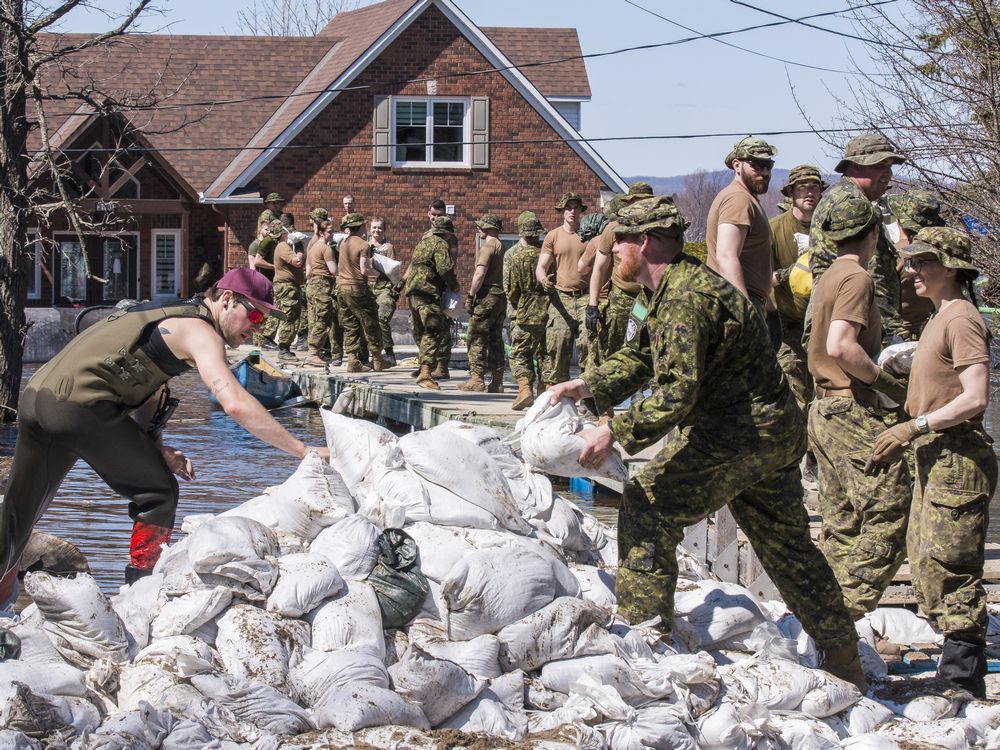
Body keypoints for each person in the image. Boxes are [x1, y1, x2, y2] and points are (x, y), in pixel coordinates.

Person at [549, 195, 866, 690]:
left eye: (619, 242)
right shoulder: (674, 287)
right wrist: (585, 385)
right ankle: (844, 658)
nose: (613, 252)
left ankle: (645, 640)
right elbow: (643, 357)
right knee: (788, 547)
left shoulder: (685, 296)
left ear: (644, 242)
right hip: (769, 431)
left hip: (741, 432)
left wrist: (614, 431)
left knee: (648, 505)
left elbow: (678, 390)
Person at [0, 268, 328, 603]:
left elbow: (150, 387)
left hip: (37, 397)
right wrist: (302, 449)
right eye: (255, 316)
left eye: (264, 321)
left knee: (18, 512)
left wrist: (156, 448)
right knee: (159, 493)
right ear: (227, 299)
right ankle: (141, 594)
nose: (257, 328)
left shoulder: (167, 313)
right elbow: (233, 402)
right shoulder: (202, 332)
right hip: (79, 406)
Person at [866, 227, 995, 698]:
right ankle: (953, 672)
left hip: (956, 455)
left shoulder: (961, 319)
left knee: (951, 564)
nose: (912, 270)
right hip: (935, 454)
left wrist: (916, 426)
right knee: (927, 563)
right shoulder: (939, 317)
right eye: (912, 261)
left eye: (924, 262)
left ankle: (962, 679)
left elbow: (976, 397)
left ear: (952, 268)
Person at [806, 189, 911, 620]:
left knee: (843, 522)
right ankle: (848, 608)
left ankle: (828, 622)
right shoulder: (858, 278)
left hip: (823, 409)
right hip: (849, 407)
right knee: (892, 507)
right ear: (873, 234)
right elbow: (841, 346)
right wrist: (889, 385)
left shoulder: (827, 275)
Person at [807, 133, 908, 346]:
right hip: (853, 324)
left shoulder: (844, 197)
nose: (888, 173)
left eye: (890, 166)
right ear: (855, 166)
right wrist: (890, 334)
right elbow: (873, 270)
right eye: (879, 165)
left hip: (844, 318)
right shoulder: (852, 205)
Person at [770, 165, 828, 409]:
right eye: (802, 187)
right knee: (794, 395)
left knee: (830, 396)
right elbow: (761, 279)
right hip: (789, 325)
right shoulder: (774, 229)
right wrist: (791, 273)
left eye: (814, 187)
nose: (809, 193)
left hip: (826, 323)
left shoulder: (831, 228)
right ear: (791, 193)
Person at [706, 136, 778, 322]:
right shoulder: (738, 199)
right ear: (737, 165)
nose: (764, 171)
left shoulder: (746, 198)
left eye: (768, 165)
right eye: (756, 165)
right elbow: (726, 257)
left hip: (743, 302)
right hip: (735, 306)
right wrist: (746, 313)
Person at [585, 182, 654, 369]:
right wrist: (592, 305)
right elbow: (599, 268)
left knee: (644, 349)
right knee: (608, 351)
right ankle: (597, 386)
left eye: (645, 201)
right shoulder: (614, 229)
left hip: (649, 299)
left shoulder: (659, 229)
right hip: (621, 298)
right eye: (636, 201)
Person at [536, 191, 591, 386]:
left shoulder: (589, 235)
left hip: (586, 297)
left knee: (588, 343)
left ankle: (587, 392)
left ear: (581, 211)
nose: (572, 211)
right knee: (558, 344)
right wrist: (544, 280)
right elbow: (541, 267)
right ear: (562, 211)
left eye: (576, 208)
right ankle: (556, 392)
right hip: (561, 297)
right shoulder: (553, 236)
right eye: (568, 208)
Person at [405, 215, 460, 390]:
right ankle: (426, 372)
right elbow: (444, 269)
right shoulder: (441, 244)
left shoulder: (422, 243)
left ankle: (426, 366)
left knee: (420, 330)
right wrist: (454, 285)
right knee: (434, 328)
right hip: (427, 292)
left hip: (413, 292)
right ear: (448, 233)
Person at [886, 189, 945, 340]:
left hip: (899, 337)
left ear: (899, 219)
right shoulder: (943, 254)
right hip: (933, 332)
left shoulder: (895, 255)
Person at [504, 213, 549, 409]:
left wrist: (518, 304)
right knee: (546, 353)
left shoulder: (512, 255)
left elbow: (510, 289)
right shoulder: (547, 252)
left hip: (524, 311)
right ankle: (545, 391)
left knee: (519, 353)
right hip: (549, 310)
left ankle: (524, 388)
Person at [459, 214, 507, 393]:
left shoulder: (488, 247)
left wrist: (471, 295)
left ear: (490, 228)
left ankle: (477, 379)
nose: (478, 228)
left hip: (486, 296)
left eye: (482, 226)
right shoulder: (502, 247)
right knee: (496, 339)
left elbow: (479, 274)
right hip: (500, 296)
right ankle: (497, 381)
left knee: (476, 336)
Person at [337, 213, 386, 373]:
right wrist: (379, 273)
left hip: (342, 289)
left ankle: (352, 361)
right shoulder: (363, 244)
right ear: (362, 226)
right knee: (371, 323)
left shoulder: (343, 243)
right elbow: (365, 270)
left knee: (350, 325)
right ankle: (378, 360)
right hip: (357, 288)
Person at [304, 208, 339, 367]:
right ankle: (313, 353)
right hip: (322, 286)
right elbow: (333, 270)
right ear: (322, 233)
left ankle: (314, 353)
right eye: (330, 232)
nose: (332, 234)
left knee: (314, 319)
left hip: (312, 285)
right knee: (323, 320)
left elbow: (308, 270)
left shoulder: (312, 247)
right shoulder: (326, 248)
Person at [271, 220, 306, 362]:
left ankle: (285, 348)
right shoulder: (282, 246)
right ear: (282, 233)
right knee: (289, 316)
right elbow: (297, 262)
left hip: (288, 286)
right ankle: (284, 349)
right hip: (287, 287)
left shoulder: (283, 246)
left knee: (292, 316)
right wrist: (300, 250)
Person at [368, 217, 400, 367]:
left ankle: (389, 352)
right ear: (370, 229)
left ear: (384, 230)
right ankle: (371, 354)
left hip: (385, 286)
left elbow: (392, 268)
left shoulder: (388, 247)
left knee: (382, 318)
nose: (376, 230)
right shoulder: (365, 246)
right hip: (368, 286)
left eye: (379, 228)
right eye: (374, 227)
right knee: (368, 321)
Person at [252, 219, 284, 347]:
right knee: (272, 309)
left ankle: (263, 339)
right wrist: (275, 266)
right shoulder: (267, 241)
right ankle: (265, 338)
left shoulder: (276, 242)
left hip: (274, 280)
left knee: (271, 308)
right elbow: (257, 261)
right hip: (267, 281)